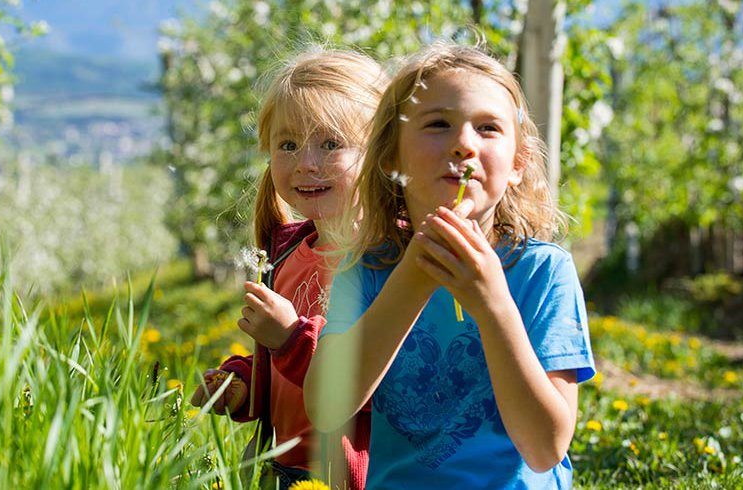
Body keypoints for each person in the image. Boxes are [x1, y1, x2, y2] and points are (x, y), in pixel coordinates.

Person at [305, 43, 595, 489]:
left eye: (488, 128)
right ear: (391, 158)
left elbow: (545, 448)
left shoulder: (543, 272)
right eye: (438, 124)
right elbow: (325, 407)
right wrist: (413, 279)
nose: (463, 144)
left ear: (517, 164)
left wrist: (493, 304)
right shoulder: (366, 269)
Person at [189, 48, 388, 489]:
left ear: (381, 151)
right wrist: (242, 383)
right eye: (288, 144)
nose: (305, 163)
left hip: (358, 479)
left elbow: (390, 387)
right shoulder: (282, 256)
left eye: (331, 143)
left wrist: (292, 340)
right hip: (286, 473)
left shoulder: (393, 261)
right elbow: (276, 371)